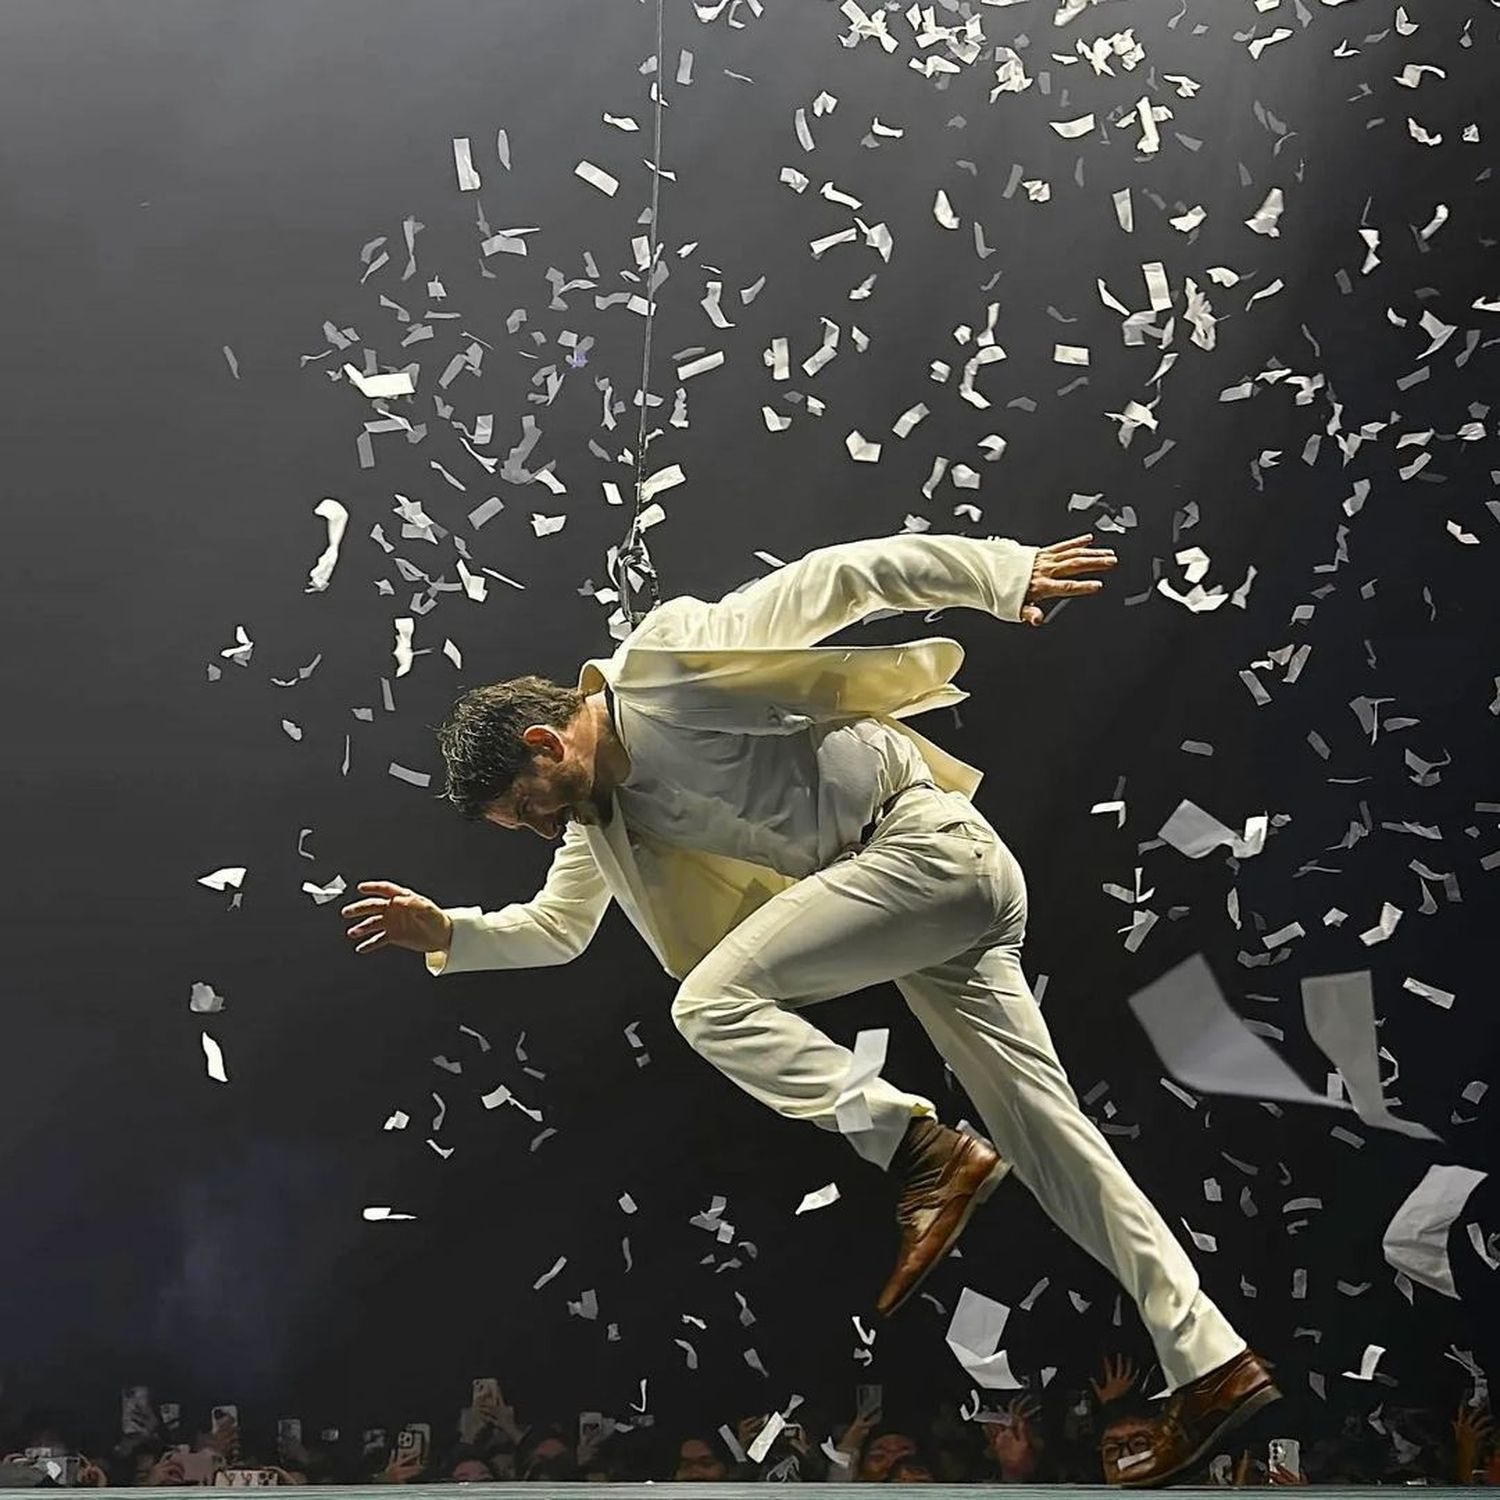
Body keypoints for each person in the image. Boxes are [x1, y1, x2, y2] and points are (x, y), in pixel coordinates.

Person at [341, 529, 1279, 1485]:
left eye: (531, 808)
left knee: (706, 1005)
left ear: (546, 741)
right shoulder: (604, 822)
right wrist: (449, 932)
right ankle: (1210, 1363)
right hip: (919, 903)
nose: (544, 826)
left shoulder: (665, 664)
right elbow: (558, 928)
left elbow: (843, 578)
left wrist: (1000, 573)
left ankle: (919, 1150)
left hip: (924, 848)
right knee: (1053, 1144)